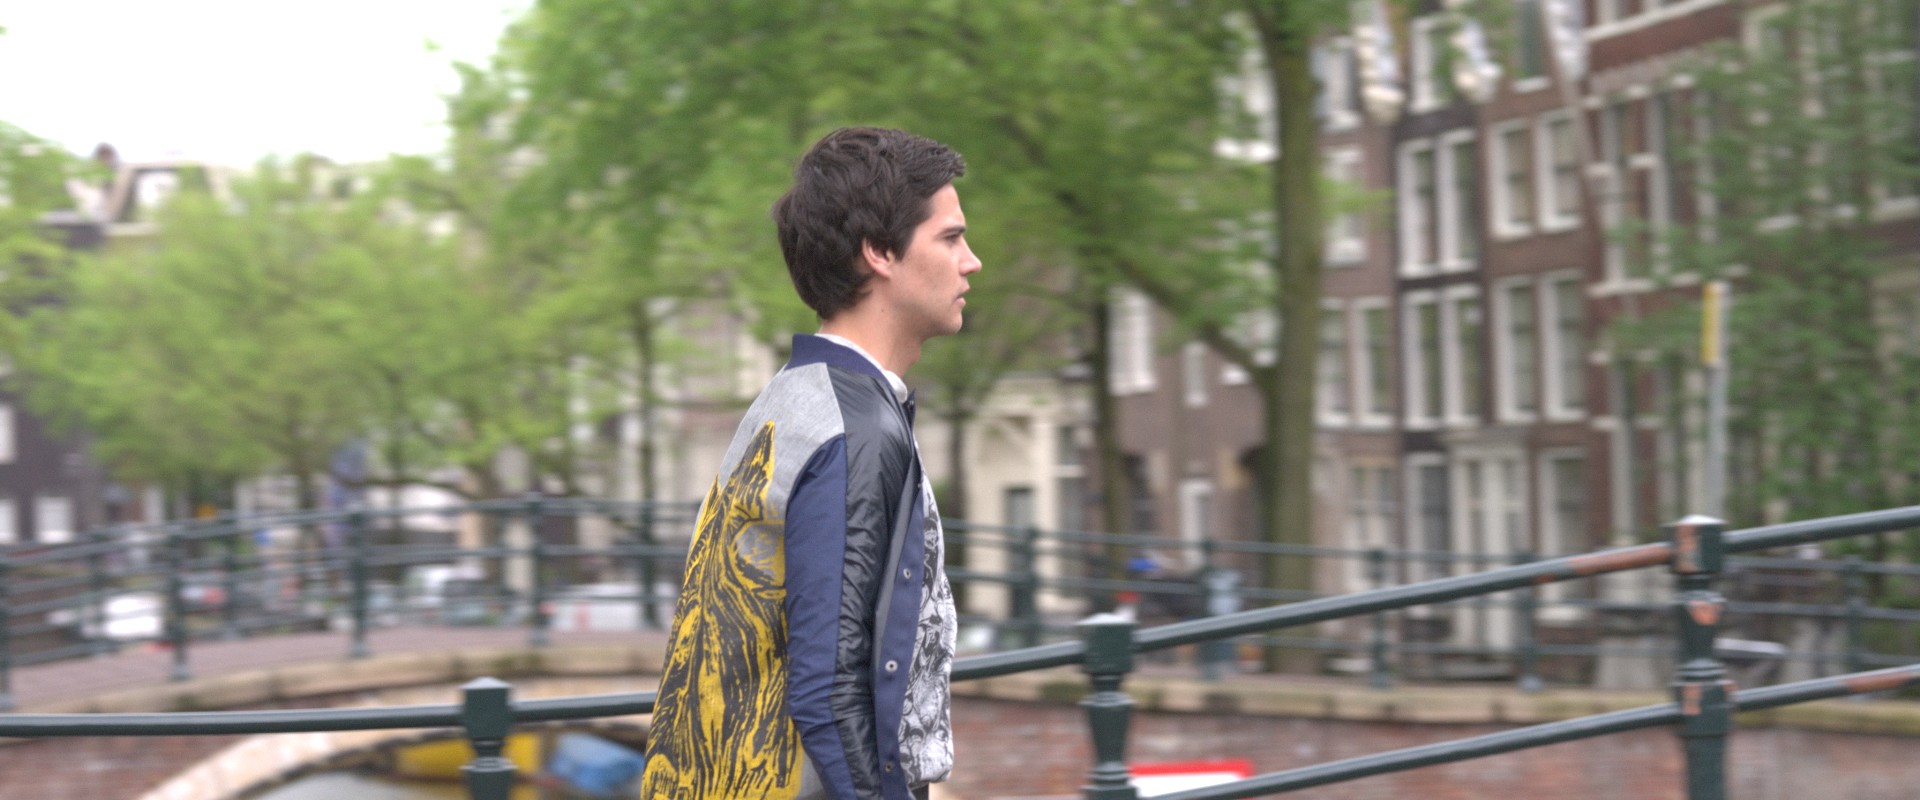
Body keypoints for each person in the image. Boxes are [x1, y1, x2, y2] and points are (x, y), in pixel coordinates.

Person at [641, 127, 980, 800]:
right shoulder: (852, 430)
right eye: (950, 238)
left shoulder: (790, 401)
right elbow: (831, 690)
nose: (971, 262)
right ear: (879, 252)